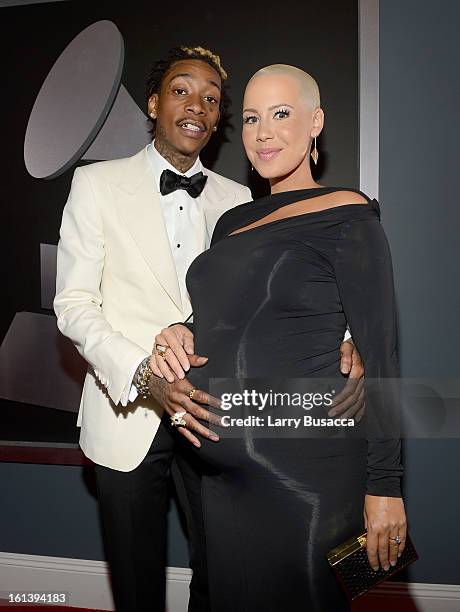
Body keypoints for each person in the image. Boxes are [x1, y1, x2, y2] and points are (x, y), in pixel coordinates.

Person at [54, 46, 364, 612]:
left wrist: (343, 342)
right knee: (135, 579)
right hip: (128, 415)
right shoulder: (95, 185)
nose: (197, 105)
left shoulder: (242, 201)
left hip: (220, 417)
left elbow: (280, 296)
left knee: (223, 574)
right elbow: (74, 305)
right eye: (181, 90)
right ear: (153, 103)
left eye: (213, 98)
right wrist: (147, 374)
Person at [153, 64, 407, 611]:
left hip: (307, 477)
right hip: (218, 480)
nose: (263, 131)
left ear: (316, 122)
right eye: (250, 117)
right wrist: (181, 329)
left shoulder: (349, 214)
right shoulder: (230, 223)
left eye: (281, 113)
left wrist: (385, 488)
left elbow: (382, 355)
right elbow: (230, 318)